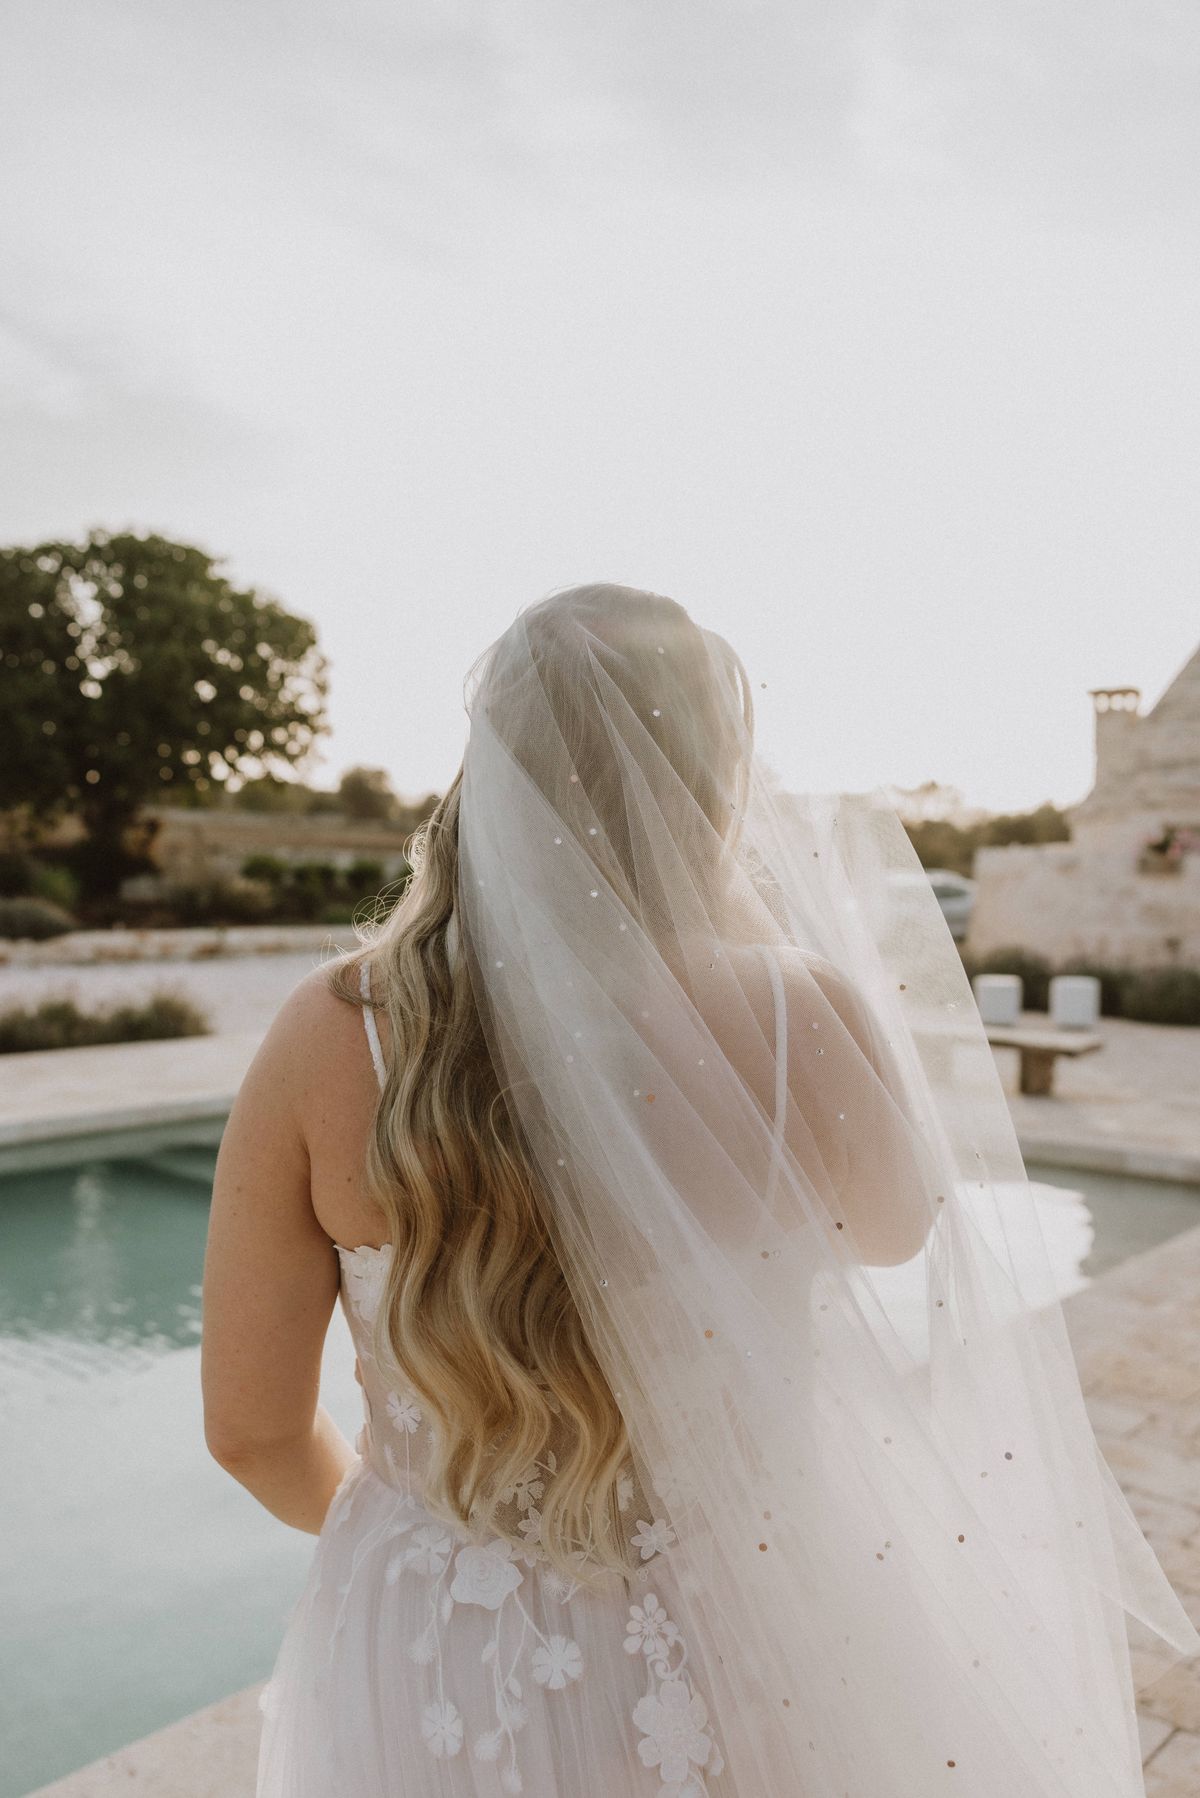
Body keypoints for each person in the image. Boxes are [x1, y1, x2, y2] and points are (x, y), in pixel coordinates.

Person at [203, 584, 1198, 1797]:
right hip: (752, 1616)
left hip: (434, 1645)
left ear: (489, 769)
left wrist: (418, 1547)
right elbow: (895, 1235)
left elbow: (250, 1429)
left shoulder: (331, 1034)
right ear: (714, 788)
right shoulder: (798, 1017)